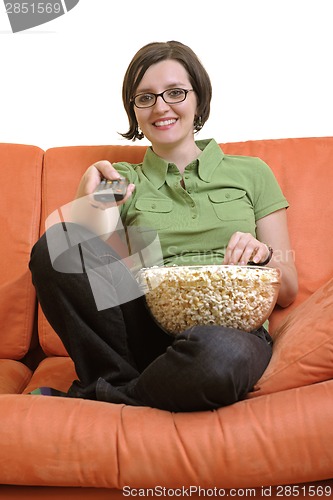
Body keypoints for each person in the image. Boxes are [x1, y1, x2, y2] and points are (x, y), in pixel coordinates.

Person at [29, 40, 298, 412]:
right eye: (145, 98)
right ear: (134, 111)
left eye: (175, 92)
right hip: (145, 330)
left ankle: (106, 396)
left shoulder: (251, 173)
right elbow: (68, 261)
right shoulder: (121, 178)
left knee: (218, 357)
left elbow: (288, 289)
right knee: (58, 242)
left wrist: (263, 256)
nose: (161, 107)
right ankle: (130, 383)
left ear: (198, 99)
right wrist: (86, 197)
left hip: (229, 331)